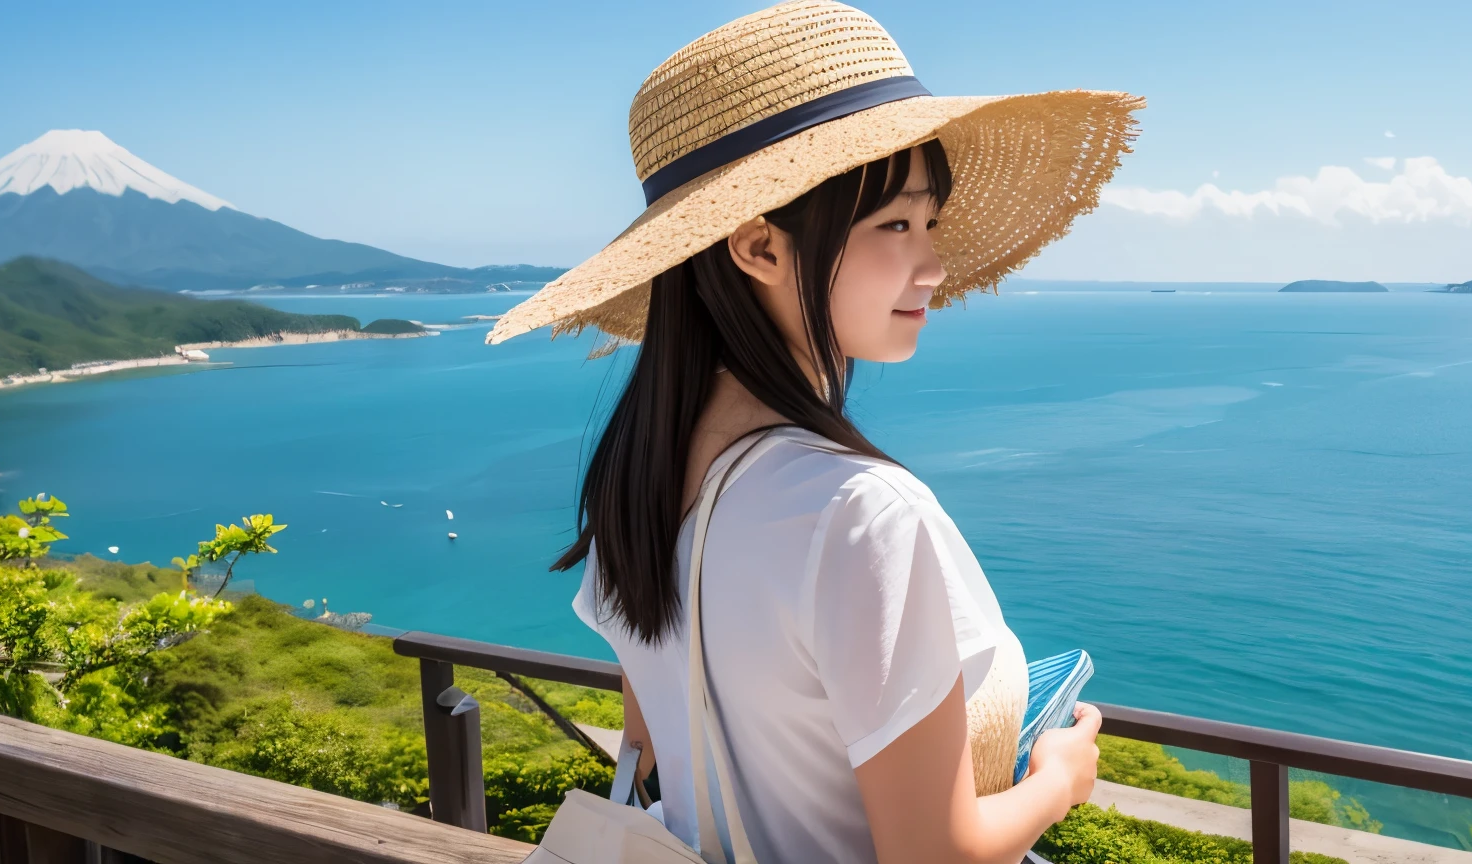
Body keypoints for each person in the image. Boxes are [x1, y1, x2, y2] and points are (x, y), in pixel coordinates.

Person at [484, 2, 1143, 861]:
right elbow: (932, 855)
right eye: (895, 224)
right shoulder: (860, 512)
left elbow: (654, 741)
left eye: (931, 222)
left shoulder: (634, 482)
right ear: (758, 248)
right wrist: (1057, 779)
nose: (934, 264)